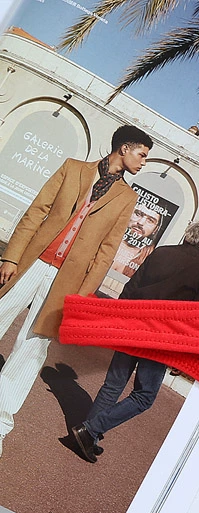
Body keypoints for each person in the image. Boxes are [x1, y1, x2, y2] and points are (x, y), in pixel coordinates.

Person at [0, 124, 153, 457]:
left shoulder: (127, 198)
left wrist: (81, 298)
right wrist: (11, 256)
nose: (143, 162)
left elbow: (106, 253)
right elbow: (36, 212)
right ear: (124, 149)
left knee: (32, 347)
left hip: (66, 282)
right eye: (142, 155)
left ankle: (0, 424)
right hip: (31, 263)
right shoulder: (72, 168)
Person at [71, 220, 199, 463]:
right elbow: (195, 318)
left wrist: (118, 317)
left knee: (113, 384)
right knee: (144, 396)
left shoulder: (161, 253)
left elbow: (133, 285)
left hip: (134, 324)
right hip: (160, 338)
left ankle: (89, 433)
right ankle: (90, 430)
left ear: (188, 234)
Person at [110, 202, 163, 278]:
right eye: (138, 214)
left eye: (150, 220)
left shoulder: (150, 257)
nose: (140, 223)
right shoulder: (106, 236)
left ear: (155, 229)